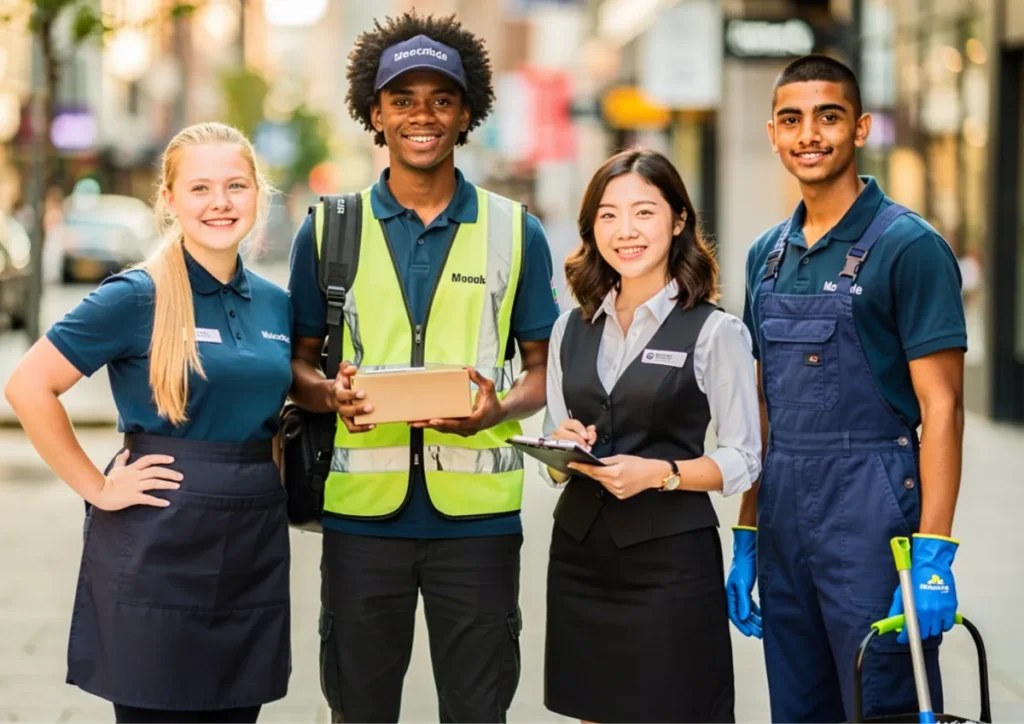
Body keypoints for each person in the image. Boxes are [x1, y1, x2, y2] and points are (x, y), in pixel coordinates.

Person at [286, 11, 558, 723]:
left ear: (467, 114)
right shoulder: (327, 228)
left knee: (477, 712)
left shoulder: (515, 231)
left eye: (441, 99)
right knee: (359, 710)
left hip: (478, 526)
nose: (422, 115)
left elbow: (540, 373)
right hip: (360, 525)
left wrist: (497, 410)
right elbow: (298, 367)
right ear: (373, 113)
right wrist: (329, 395)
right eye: (402, 100)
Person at [5, 122, 292, 724]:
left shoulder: (276, 303)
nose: (220, 202)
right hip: (158, 540)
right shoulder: (135, 296)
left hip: (252, 544)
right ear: (169, 199)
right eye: (201, 188)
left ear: (257, 195)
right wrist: (98, 487)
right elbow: (28, 386)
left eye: (236, 186)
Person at [727, 55, 967, 722]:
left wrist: (934, 555)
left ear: (859, 128)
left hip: (874, 517)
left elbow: (942, 408)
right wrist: (747, 532)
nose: (810, 134)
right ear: (773, 133)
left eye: (828, 117)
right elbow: (762, 402)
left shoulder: (909, 247)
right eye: (792, 120)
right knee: (799, 709)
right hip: (783, 519)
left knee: (883, 702)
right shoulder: (765, 255)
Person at [540, 148, 762, 724]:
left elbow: (744, 457)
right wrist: (561, 449)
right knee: (592, 710)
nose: (625, 231)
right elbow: (553, 455)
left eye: (644, 212)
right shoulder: (571, 327)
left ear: (678, 220)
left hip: (670, 564)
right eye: (608, 215)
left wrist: (662, 474)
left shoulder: (716, 331)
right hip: (580, 557)